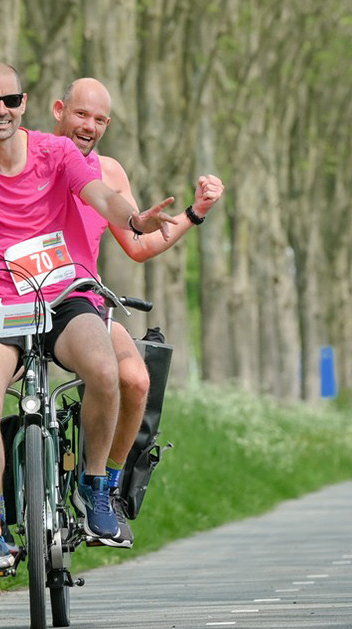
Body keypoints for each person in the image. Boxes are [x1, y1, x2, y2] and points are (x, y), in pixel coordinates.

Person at [0, 64, 184, 580]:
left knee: (106, 371)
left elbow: (101, 196)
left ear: (25, 103)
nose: (1, 110)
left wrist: (134, 220)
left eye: (10, 100)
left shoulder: (57, 152)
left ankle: (94, 486)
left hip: (62, 294)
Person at [50, 78, 223, 544]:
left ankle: (104, 486)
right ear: (58, 110)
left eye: (99, 119)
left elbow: (139, 244)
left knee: (136, 379)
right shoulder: (32, 158)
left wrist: (195, 212)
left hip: (82, 299)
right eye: (81, 114)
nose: (89, 126)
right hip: (26, 296)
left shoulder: (108, 171)